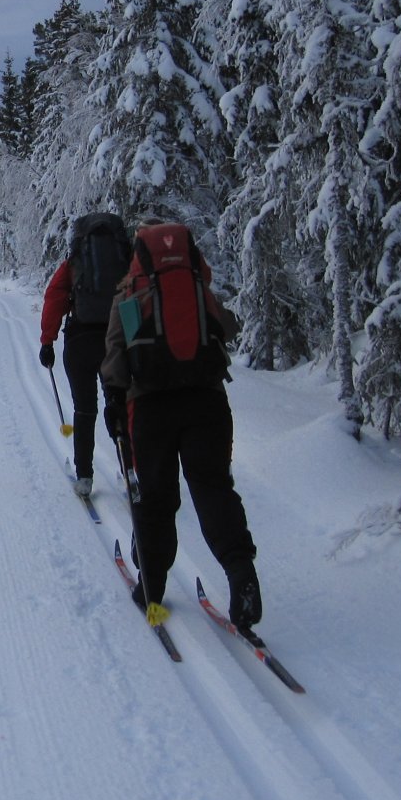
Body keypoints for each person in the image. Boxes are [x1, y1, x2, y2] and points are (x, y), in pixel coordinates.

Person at [101, 217, 263, 633]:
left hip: (153, 409)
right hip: (207, 402)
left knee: (156, 499)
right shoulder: (196, 289)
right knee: (213, 489)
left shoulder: (132, 297)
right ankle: (240, 569)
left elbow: (119, 357)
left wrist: (115, 402)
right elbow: (227, 328)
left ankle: (152, 587)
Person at [39, 212, 131, 499]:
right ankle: (131, 471)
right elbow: (135, 298)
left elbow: (54, 297)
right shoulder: (125, 262)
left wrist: (47, 341)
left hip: (80, 341)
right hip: (116, 342)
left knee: (84, 409)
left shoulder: (74, 264)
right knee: (120, 404)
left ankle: (84, 476)